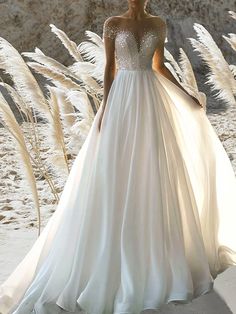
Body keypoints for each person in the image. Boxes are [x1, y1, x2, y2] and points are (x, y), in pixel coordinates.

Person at [1, 0, 236, 313]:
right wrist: (105, 111)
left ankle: (157, 248)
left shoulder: (157, 24)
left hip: (152, 98)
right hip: (123, 96)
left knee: (153, 165)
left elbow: (158, 66)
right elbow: (109, 70)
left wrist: (185, 94)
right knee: (117, 167)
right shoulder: (113, 23)